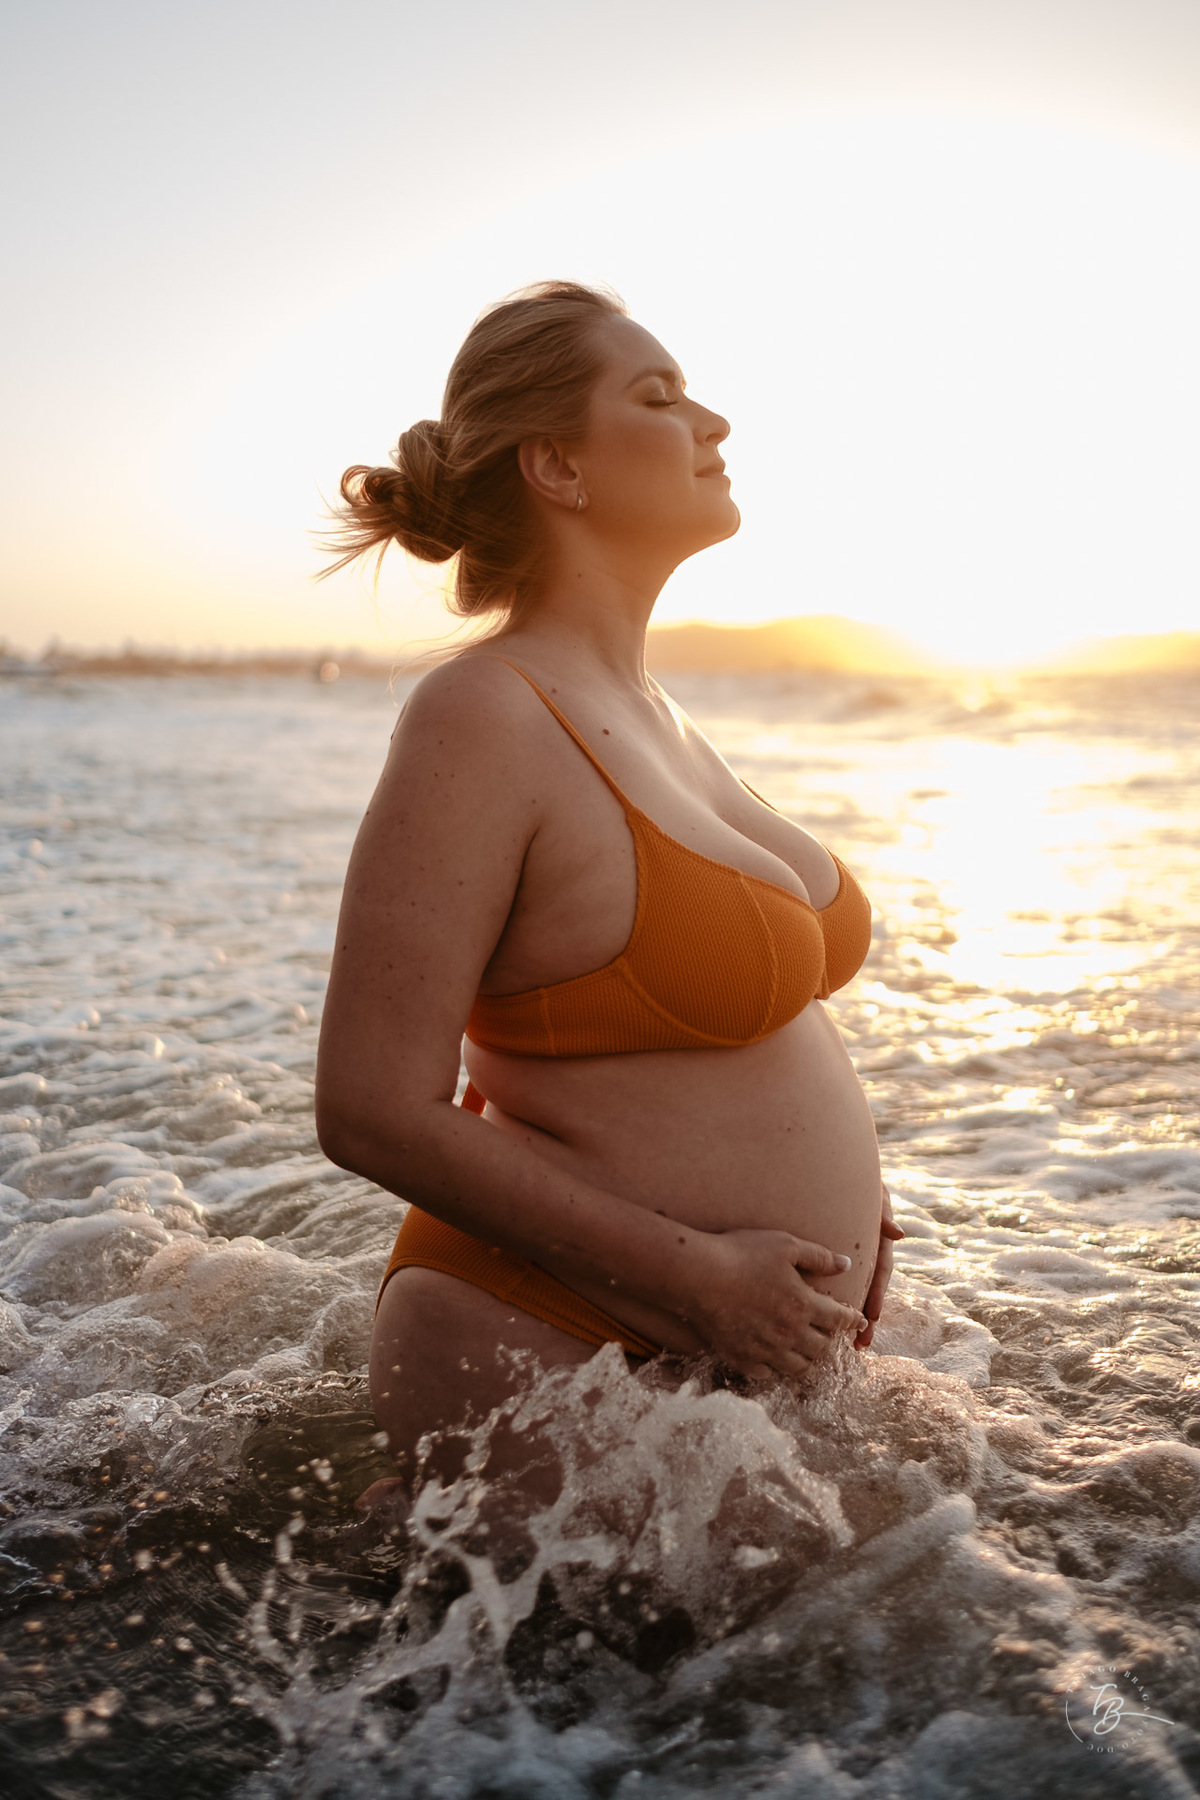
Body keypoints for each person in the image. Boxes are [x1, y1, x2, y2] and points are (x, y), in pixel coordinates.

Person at [314, 281, 902, 1493]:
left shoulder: (655, 711)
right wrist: (694, 1275)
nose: (713, 422)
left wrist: (845, 1213)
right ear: (557, 467)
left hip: (732, 1347)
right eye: (659, 395)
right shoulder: (481, 715)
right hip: (553, 1337)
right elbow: (371, 1105)